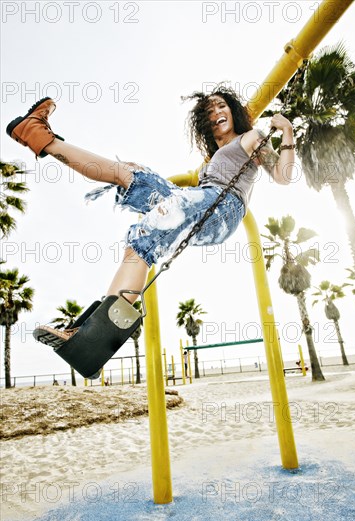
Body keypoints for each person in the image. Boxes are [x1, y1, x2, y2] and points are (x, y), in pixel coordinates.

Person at [6, 86, 295, 346]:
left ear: (232, 109)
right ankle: (92, 335)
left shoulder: (251, 137)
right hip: (204, 206)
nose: (217, 112)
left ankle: (36, 133)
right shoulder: (213, 159)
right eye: (209, 111)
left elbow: (283, 176)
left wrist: (287, 132)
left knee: (139, 199)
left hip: (221, 207)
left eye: (221, 105)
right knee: (135, 216)